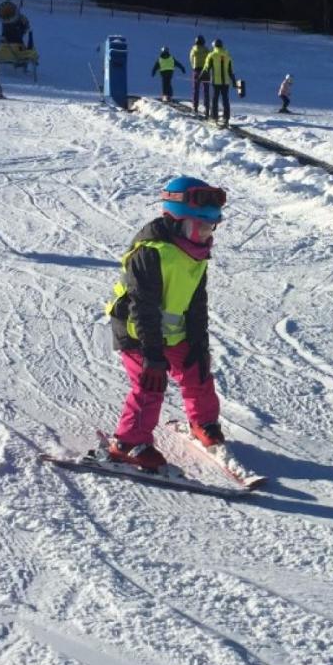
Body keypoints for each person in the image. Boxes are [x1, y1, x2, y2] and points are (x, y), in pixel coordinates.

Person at [105, 176, 227, 469]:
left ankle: (203, 423)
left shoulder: (196, 255)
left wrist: (199, 344)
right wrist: (153, 357)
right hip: (138, 333)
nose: (203, 234)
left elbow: (197, 304)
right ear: (174, 221)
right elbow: (143, 307)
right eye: (196, 227)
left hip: (173, 332)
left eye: (209, 227)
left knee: (198, 371)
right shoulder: (149, 252)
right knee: (151, 384)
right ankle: (128, 443)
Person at [200, 38, 236, 127]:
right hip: (226, 82)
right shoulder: (228, 55)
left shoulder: (211, 55)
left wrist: (200, 78)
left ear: (214, 46)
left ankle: (214, 117)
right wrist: (234, 81)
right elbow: (231, 71)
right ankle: (226, 118)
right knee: (225, 100)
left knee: (215, 99)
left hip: (216, 81)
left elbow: (206, 68)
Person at [189, 34, 210, 117]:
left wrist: (193, 66)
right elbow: (209, 59)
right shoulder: (206, 50)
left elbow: (191, 59)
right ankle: (206, 107)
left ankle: (195, 107)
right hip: (205, 71)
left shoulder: (193, 50)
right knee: (206, 90)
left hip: (196, 70)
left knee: (196, 89)